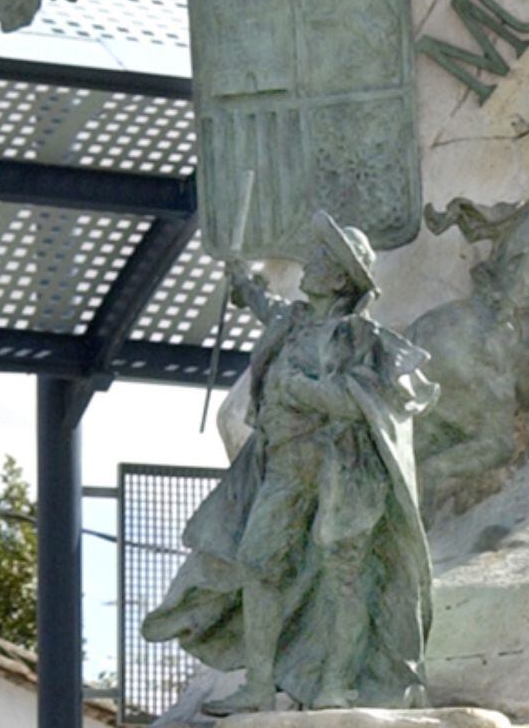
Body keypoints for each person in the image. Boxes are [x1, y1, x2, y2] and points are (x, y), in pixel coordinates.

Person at [142, 211, 437, 714]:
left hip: (340, 465)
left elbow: (366, 402)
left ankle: (339, 683)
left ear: (343, 279)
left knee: (343, 571)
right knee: (258, 564)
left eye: (323, 260)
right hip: (283, 467)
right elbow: (264, 303)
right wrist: (242, 282)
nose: (311, 264)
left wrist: (306, 391)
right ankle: (259, 685)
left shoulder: (359, 337)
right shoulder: (292, 322)